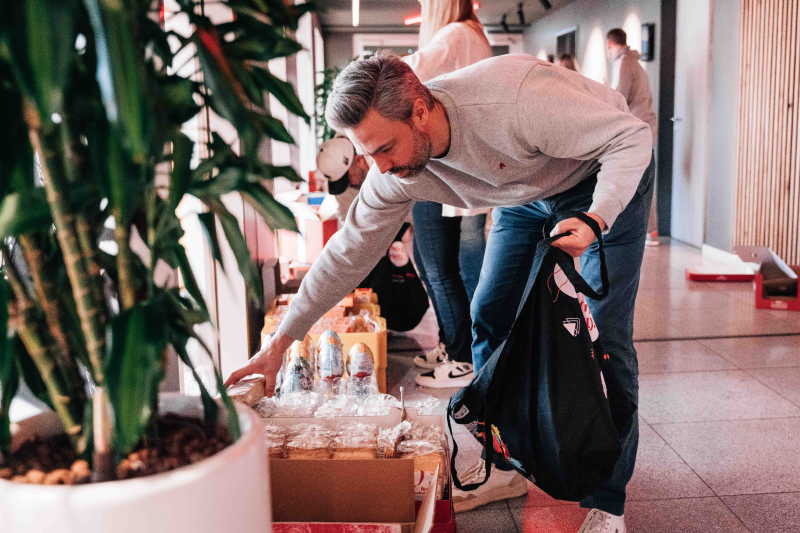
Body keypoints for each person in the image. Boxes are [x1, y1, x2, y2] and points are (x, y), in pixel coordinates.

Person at [225, 52, 654, 533]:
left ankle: (609, 499)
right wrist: (279, 344)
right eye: (367, 153)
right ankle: (506, 459)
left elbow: (631, 136)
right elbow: (347, 253)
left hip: (599, 173)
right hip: (523, 194)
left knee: (605, 337)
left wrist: (598, 216)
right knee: (489, 314)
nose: (380, 168)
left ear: (420, 110)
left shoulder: (514, 99)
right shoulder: (392, 173)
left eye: (385, 148)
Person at [401, 0, 493, 388]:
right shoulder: (473, 35)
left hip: (442, 172)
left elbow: (403, 77)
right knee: (438, 264)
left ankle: (460, 356)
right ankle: (454, 346)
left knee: (439, 269)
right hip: (464, 172)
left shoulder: (454, 35)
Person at [607, 28, 659, 247]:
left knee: (638, 177)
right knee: (639, 176)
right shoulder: (633, 62)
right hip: (642, 126)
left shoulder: (625, 63)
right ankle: (648, 229)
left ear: (609, 45)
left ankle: (650, 229)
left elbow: (619, 97)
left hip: (637, 128)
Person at [315, 136, 371, 227]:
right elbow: (346, 218)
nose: (349, 185)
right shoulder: (345, 187)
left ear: (359, 160)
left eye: (348, 179)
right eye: (341, 182)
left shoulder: (381, 160)